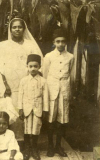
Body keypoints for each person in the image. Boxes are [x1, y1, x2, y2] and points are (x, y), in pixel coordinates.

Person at [0, 18, 43, 150]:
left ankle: (27, 145)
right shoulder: (4, 45)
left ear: (24, 29)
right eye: (14, 27)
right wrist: (5, 85)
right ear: (10, 30)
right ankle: (11, 144)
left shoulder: (30, 45)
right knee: (13, 113)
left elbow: (39, 64)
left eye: (19, 27)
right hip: (11, 85)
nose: (17, 29)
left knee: (27, 113)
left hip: (28, 84)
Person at [43, 28, 74, 157]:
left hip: (64, 90)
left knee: (62, 119)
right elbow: (45, 75)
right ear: (53, 42)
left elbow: (71, 73)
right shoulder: (48, 56)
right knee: (51, 119)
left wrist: (68, 90)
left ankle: (58, 146)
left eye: (63, 41)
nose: (60, 44)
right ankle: (50, 146)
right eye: (58, 41)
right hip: (51, 90)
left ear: (66, 42)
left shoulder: (70, 57)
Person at [18, 54, 49, 160]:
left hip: (38, 108)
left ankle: (35, 149)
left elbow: (45, 96)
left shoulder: (43, 81)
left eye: (35, 66)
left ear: (39, 67)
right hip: (26, 109)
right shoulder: (23, 80)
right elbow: (20, 95)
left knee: (36, 129)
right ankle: (27, 149)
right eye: (30, 66)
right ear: (27, 66)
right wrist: (20, 108)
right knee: (27, 129)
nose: (33, 69)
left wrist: (45, 110)